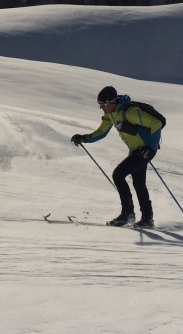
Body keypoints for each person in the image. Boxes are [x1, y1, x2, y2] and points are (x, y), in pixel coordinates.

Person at [70, 85, 164, 227]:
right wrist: (84, 138)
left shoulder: (131, 113)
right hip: (136, 150)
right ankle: (147, 219)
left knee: (118, 175)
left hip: (146, 150)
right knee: (138, 183)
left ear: (111, 102)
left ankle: (127, 214)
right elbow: (102, 132)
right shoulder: (111, 114)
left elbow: (157, 123)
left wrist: (151, 147)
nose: (101, 108)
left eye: (103, 105)